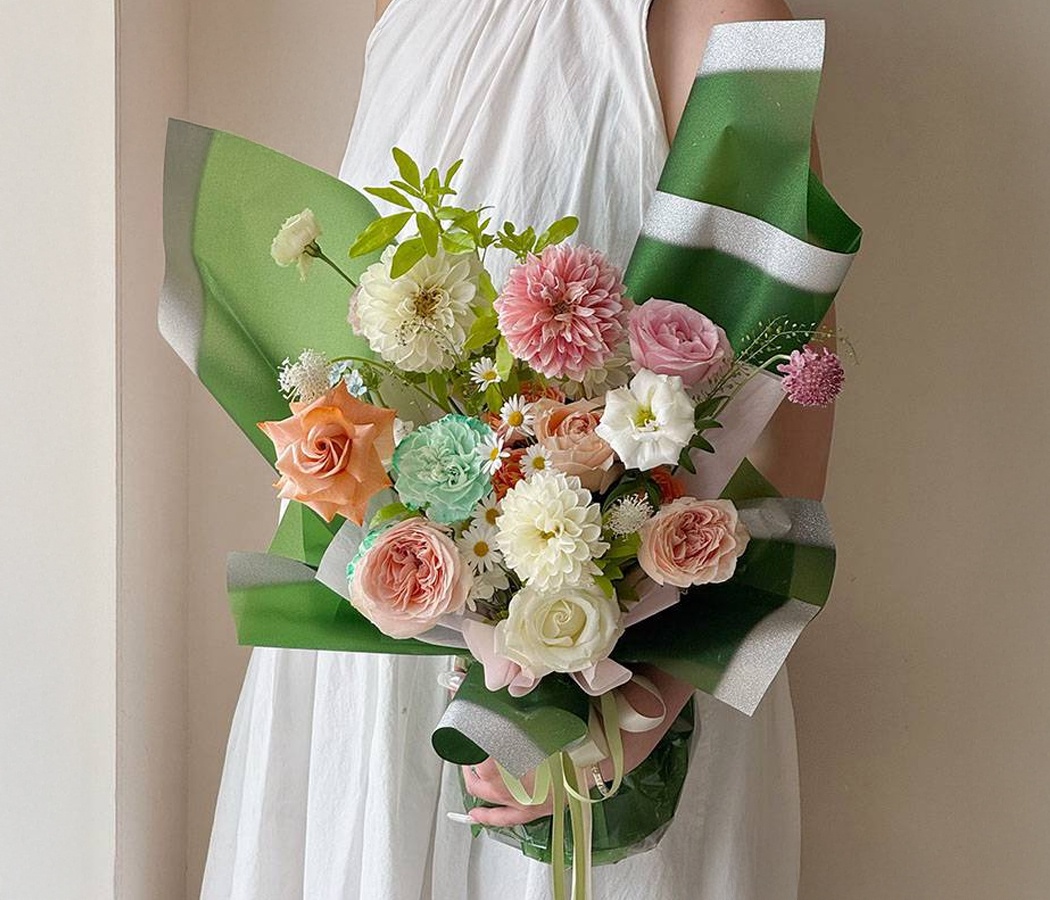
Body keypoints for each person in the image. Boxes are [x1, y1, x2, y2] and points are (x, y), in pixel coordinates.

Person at [200, 1, 833, 898]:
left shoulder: (720, 14)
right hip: (377, 646)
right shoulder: (404, 10)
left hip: (613, 687)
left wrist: (644, 700)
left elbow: (786, 397)